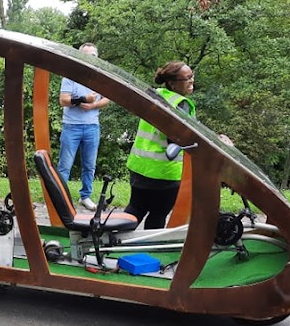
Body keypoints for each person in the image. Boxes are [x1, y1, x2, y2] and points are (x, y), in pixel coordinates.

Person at [123, 61, 196, 229]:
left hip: (139, 166)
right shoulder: (180, 104)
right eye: (187, 78)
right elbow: (179, 138)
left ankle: (114, 240)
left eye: (192, 75)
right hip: (164, 171)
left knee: (136, 208)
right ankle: (149, 245)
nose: (192, 80)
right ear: (172, 83)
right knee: (158, 215)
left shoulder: (155, 95)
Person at [57, 42, 111, 212]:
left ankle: (85, 196)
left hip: (92, 127)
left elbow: (107, 99)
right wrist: (82, 99)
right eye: (85, 55)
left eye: (92, 55)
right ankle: (60, 198)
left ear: (97, 57)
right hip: (71, 126)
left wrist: (93, 105)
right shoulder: (70, 76)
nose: (89, 58)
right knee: (65, 165)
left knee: (89, 165)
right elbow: (63, 100)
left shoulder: (100, 77)